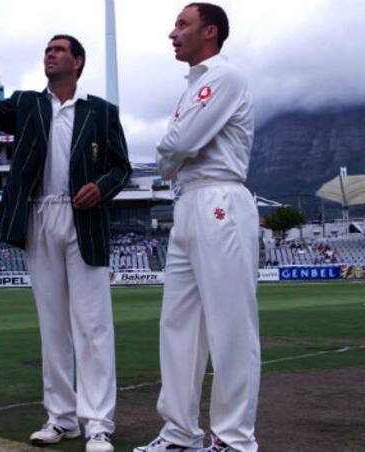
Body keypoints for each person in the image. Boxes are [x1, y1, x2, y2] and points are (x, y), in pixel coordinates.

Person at [0, 28, 131, 452]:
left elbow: (121, 167)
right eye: (47, 50)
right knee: (52, 326)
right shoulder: (27, 103)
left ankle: (98, 424)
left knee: (92, 326)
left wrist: (101, 188)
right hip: (38, 214)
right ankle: (61, 418)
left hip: (84, 219)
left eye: (59, 50)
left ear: (78, 61)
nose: (50, 55)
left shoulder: (101, 111)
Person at [135, 4, 260, 452]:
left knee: (230, 325)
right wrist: (175, 152)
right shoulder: (193, 88)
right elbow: (169, 158)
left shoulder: (225, 76)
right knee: (178, 325)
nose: (173, 33)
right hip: (187, 202)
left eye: (182, 25)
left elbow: (179, 143)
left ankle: (233, 439)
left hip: (220, 199)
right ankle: (180, 433)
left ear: (210, 31)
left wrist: (175, 151)